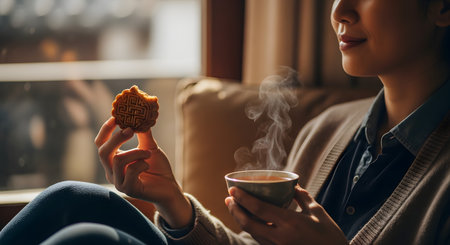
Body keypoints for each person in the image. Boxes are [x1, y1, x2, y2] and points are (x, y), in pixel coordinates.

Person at [1, 0, 449, 244]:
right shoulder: (330, 128)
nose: (339, 11)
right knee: (73, 200)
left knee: (87, 240)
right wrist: (174, 204)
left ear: (442, 9)